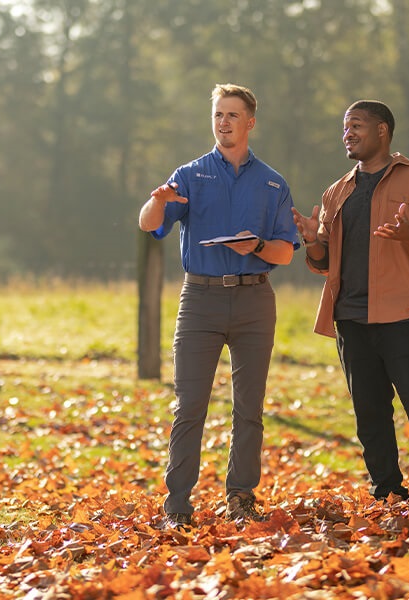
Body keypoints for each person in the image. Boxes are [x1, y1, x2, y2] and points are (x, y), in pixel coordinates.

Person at [292, 100, 409, 516]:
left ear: (383, 131)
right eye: (344, 127)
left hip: (404, 314)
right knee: (369, 412)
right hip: (350, 318)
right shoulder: (337, 191)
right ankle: (387, 494)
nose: (347, 134)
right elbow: (324, 263)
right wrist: (312, 240)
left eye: (356, 125)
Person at [139, 83, 298, 528]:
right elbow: (150, 226)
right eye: (217, 115)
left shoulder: (272, 182)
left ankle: (241, 498)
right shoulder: (189, 174)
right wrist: (157, 202)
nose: (223, 122)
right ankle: (177, 505)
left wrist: (258, 245)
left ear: (250, 122)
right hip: (201, 300)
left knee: (250, 407)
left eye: (232, 115)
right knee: (189, 405)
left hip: (254, 299)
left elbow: (286, 252)